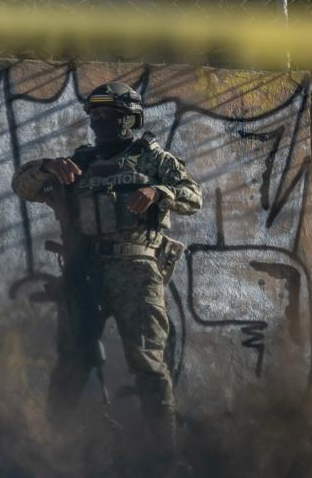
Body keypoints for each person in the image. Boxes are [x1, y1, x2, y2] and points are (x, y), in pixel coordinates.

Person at [11, 82, 202, 457]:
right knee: (72, 360)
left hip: (137, 269)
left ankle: (163, 456)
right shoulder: (80, 160)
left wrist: (160, 192)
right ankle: (55, 449)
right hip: (85, 270)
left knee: (147, 361)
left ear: (130, 118)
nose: (101, 122)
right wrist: (48, 166)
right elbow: (23, 185)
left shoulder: (152, 158)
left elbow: (192, 196)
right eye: (95, 114)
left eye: (110, 115)